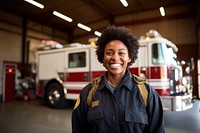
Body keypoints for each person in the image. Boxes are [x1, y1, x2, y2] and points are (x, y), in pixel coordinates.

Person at [72, 26, 165, 133]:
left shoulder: (148, 94)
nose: (115, 58)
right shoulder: (87, 93)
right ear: (102, 57)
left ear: (129, 57)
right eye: (109, 53)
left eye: (121, 53)